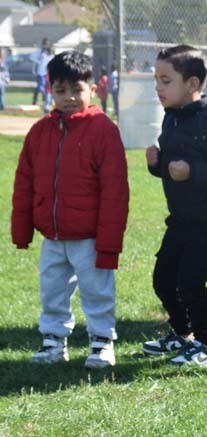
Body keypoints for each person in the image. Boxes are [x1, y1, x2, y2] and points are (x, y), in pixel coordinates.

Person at [11, 50, 129, 368]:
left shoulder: (103, 130)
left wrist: (109, 242)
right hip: (53, 236)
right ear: (50, 89)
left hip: (89, 237)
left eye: (77, 89)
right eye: (61, 90)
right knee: (52, 290)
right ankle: (53, 341)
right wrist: (22, 230)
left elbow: (115, 190)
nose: (69, 98)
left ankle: (101, 341)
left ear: (93, 89)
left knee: (97, 290)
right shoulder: (39, 132)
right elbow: (24, 182)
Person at [143, 45, 207, 366]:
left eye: (166, 80)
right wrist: (157, 165)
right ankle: (182, 333)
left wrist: (192, 171)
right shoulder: (173, 117)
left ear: (192, 84)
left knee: (190, 280)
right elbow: (174, 169)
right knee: (163, 278)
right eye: (156, 80)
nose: (158, 87)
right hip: (183, 216)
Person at [32, 39, 53, 107]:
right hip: (41, 73)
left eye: (46, 44)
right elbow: (32, 57)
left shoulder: (51, 52)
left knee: (48, 88)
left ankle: (48, 101)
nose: (45, 46)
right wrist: (38, 61)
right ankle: (44, 99)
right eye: (44, 44)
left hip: (48, 73)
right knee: (41, 87)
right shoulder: (39, 51)